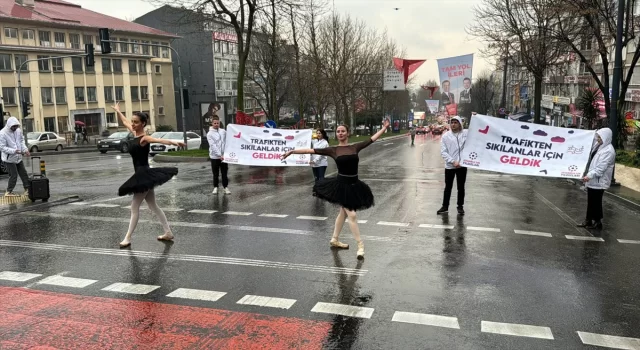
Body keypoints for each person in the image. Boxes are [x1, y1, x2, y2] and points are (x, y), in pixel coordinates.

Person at [282, 119, 391, 259]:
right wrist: (292, 152)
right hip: (341, 186)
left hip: (355, 184)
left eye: (342, 131)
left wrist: (384, 127)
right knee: (352, 215)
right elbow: (311, 150)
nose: (340, 133)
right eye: (338, 131)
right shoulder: (333, 150)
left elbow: (372, 139)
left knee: (343, 213)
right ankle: (360, 246)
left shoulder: (355, 147)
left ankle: (334, 239)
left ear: (348, 133)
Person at [111, 103, 184, 248]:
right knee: (153, 206)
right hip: (141, 174)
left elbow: (160, 140)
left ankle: (128, 237)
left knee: (134, 207)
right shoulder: (133, 132)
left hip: (144, 174)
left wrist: (175, 142)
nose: (133, 124)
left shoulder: (144, 138)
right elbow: (125, 121)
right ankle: (168, 232)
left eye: (136, 122)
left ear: (143, 123)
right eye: (133, 121)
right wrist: (118, 111)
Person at [577, 128, 615, 230]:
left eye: (600, 137)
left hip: (599, 181)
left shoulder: (608, 151)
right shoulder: (598, 146)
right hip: (593, 179)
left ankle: (598, 222)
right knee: (591, 200)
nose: (598, 138)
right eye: (597, 136)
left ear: (605, 137)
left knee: (596, 202)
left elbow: (600, 169)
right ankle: (588, 220)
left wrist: (588, 176)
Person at [437, 116, 468, 215]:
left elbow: (478, 132)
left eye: (456, 122)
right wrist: (453, 161)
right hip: (450, 166)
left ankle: (460, 206)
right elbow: (443, 152)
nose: (453, 124)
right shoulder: (446, 136)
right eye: (452, 122)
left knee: (461, 187)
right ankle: (445, 206)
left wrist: (475, 116)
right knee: (448, 187)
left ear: (459, 124)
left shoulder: (465, 134)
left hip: (462, 166)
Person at [0, 117, 30, 197]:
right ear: (9, 125)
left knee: (23, 173)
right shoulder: (2, 133)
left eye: (16, 126)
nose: (15, 128)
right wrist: (14, 151)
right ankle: (8, 191)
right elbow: (2, 147)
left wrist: (25, 149)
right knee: (13, 175)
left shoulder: (18, 131)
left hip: (18, 157)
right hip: (9, 159)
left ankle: (27, 189)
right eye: (14, 126)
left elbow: (21, 141)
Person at [208, 116, 230, 195]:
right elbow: (212, 145)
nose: (216, 124)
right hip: (215, 157)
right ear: (212, 123)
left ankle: (225, 187)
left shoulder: (223, 131)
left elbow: (229, 138)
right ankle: (215, 187)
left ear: (219, 123)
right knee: (215, 173)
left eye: (218, 123)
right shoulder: (209, 134)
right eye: (215, 123)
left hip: (224, 157)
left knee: (224, 173)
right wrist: (219, 155)